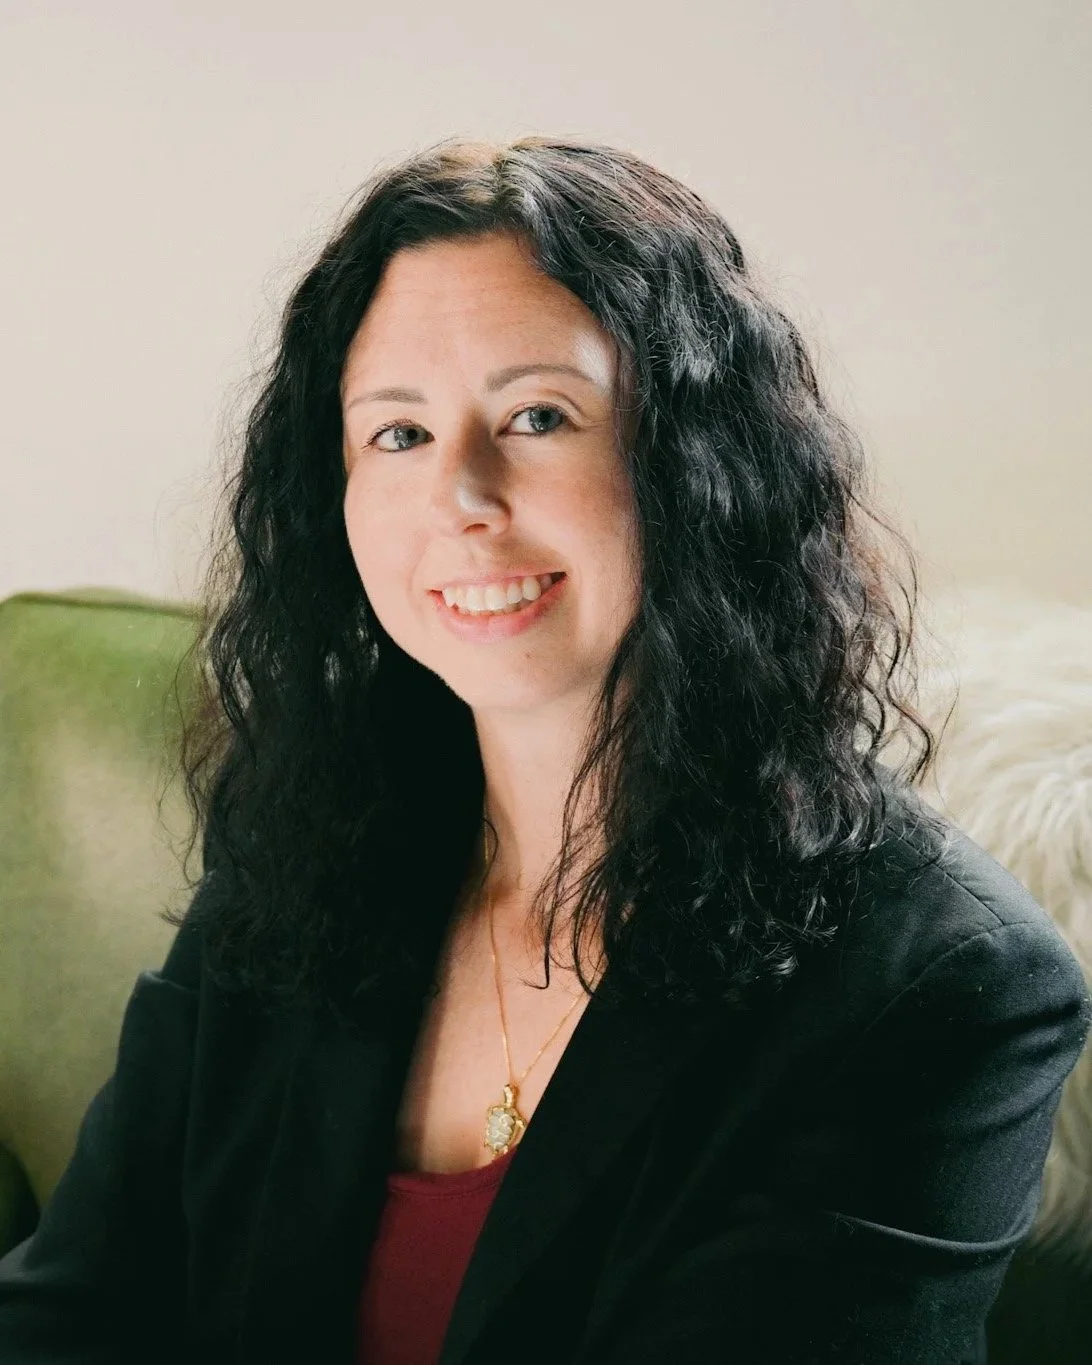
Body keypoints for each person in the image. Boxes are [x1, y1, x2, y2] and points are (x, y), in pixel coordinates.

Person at [0, 134, 1088, 1365]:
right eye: (396, 434)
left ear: (699, 466)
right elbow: (69, 1314)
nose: (461, 491)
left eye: (537, 415)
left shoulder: (947, 988)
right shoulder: (302, 858)